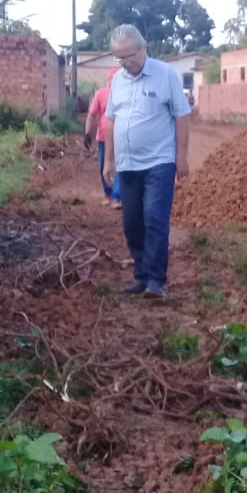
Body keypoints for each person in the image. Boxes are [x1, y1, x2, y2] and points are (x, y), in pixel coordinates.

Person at [102, 24, 191, 299]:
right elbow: (111, 120)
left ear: (144, 48)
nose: (127, 63)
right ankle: (140, 275)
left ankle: (155, 280)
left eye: (130, 56)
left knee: (155, 218)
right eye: (120, 58)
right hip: (128, 163)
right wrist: (108, 160)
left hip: (159, 162)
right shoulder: (117, 80)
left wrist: (181, 157)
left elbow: (182, 116)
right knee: (132, 223)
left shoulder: (166, 74)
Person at [84, 67, 122, 208]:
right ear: (109, 80)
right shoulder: (100, 94)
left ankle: (117, 197)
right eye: (113, 80)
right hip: (103, 137)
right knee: (103, 167)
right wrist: (88, 133)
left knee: (119, 166)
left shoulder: (125, 95)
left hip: (121, 137)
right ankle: (108, 194)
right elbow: (92, 114)